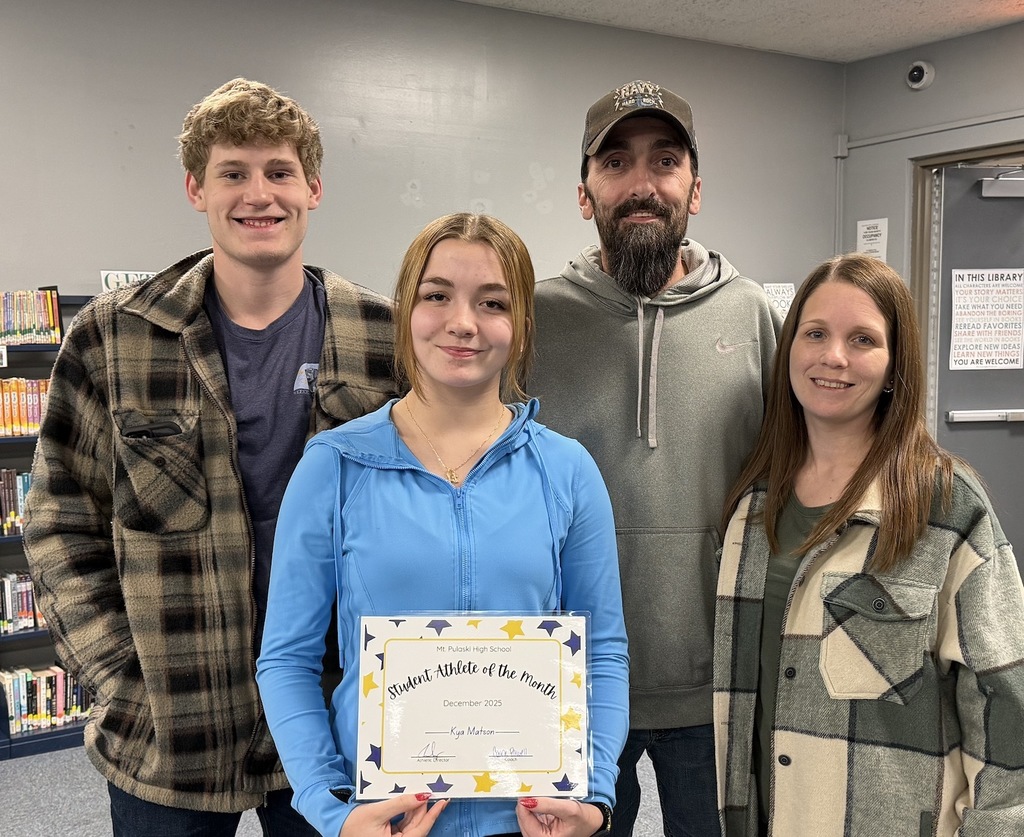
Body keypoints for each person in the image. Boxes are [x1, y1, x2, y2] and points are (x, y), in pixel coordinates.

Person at [24, 78, 398, 835]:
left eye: (279, 172)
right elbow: (60, 520)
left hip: (335, 720)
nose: (258, 193)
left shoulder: (383, 337)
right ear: (196, 187)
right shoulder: (113, 337)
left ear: (313, 188)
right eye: (233, 172)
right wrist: (121, 674)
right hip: (172, 732)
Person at [256, 212, 630, 837]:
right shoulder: (335, 466)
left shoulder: (566, 470)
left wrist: (593, 795)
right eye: (437, 296)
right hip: (385, 821)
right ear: (406, 309)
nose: (463, 322)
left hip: (530, 822)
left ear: (521, 325)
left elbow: (604, 653)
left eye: (493, 302)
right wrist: (334, 809)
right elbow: (287, 660)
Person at [529, 79, 781, 836]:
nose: (642, 184)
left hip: (717, 683)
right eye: (616, 163)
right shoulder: (533, 318)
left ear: (694, 188)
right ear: (584, 193)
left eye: (664, 161)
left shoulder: (754, 317)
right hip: (567, 682)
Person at [715, 254, 1024, 835]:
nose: (833, 357)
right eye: (815, 334)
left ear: (894, 363)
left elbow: (1006, 697)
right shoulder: (753, 502)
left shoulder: (946, 505)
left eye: (863, 339)